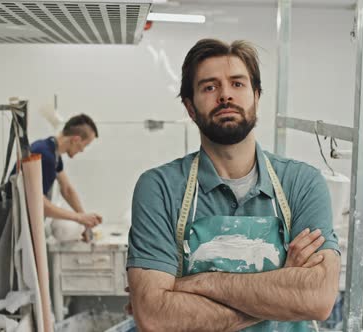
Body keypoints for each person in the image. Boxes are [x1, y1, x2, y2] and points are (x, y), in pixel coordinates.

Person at [126, 39, 341, 332]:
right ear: (190, 107)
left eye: (237, 84)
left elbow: (317, 299)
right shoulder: (160, 188)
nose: (225, 95)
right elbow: (156, 317)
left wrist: (196, 283)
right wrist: (281, 292)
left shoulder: (302, 183)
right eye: (209, 87)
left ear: (256, 96)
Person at [15, 113, 102, 241]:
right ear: (76, 139)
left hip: (24, 222)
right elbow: (38, 203)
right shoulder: (44, 155)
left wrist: (85, 220)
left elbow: (67, 189)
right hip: (15, 223)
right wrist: (79, 218)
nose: (82, 150)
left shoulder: (52, 152)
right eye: (85, 145)